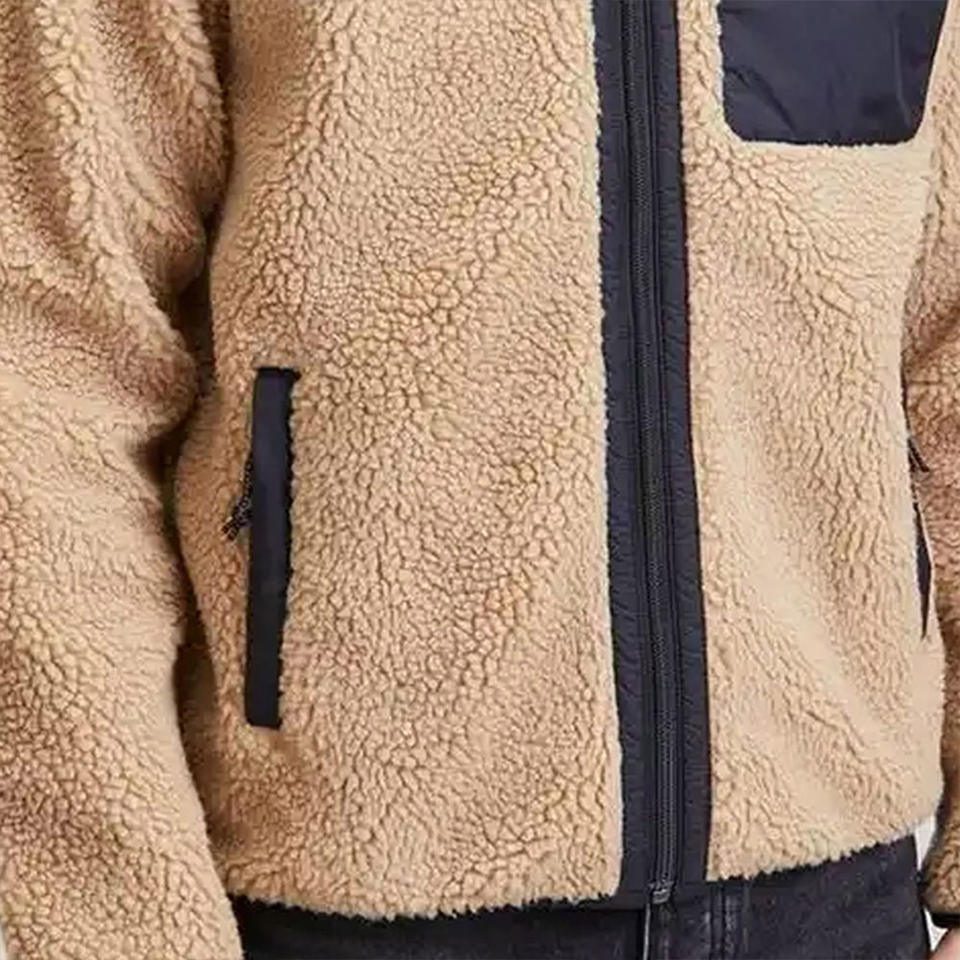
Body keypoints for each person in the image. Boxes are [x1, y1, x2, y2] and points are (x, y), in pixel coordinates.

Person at [1, 0, 960, 958]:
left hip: (840, 894)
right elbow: (47, 386)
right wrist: (117, 926)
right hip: (361, 899)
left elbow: (944, 348)